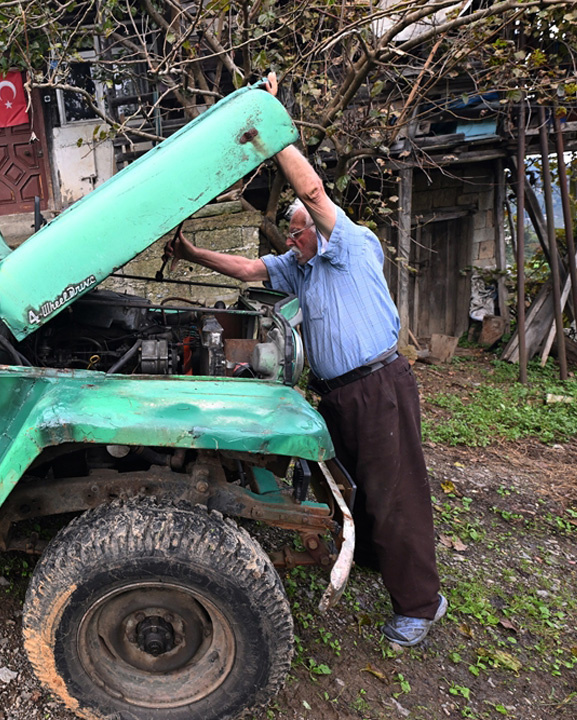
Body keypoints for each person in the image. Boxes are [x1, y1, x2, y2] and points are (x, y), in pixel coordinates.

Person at [166, 72, 445, 647]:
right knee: (350, 482)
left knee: (397, 492)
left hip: (379, 383)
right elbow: (248, 270)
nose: (291, 239)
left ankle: (421, 602)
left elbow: (314, 196)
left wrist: (271, 130)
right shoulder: (301, 265)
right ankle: (371, 556)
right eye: (290, 233)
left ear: (319, 228)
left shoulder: (351, 244)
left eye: (298, 231)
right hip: (340, 391)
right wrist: (190, 251)